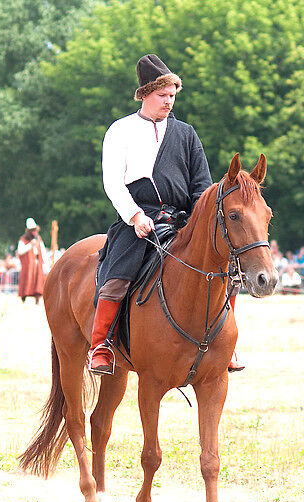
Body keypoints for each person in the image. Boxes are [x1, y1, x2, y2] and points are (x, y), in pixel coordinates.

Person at [91, 54, 243, 375]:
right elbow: (112, 183)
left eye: (173, 96)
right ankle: (101, 344)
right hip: (138, 222)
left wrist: (199, 225)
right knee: (117, 280)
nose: (169, 102)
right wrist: (134, 216)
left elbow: (201, 187)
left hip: (183, 221)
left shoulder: (186, 134)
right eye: (162, 96)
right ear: (145, 93)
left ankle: (226, 343)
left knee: (226, 273)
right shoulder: (120, 131)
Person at [17, 218, 46, 303]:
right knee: (27, 279)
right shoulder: (23, 239)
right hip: (28, 264)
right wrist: (30, 245)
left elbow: (43, 251)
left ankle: (37, 297)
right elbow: (20, 251)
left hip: (37, 262)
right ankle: (24, 297)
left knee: (37, 280)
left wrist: (44, 261)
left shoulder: (38, 239)